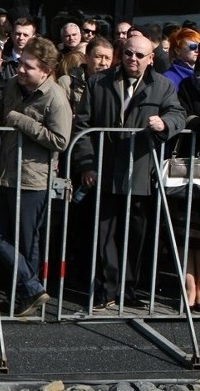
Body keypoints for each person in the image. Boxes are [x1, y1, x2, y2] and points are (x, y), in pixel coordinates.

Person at [74, 35, 185, 310]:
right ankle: (106, 289)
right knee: (104, 234)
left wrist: (165, 122)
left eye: (139, 55)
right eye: (128, 54)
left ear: (150, 59)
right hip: (106, 169)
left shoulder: (163, 85)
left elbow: (178, 114)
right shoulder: (98, 82)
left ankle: (128, 289)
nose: (132, 60)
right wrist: (86, 164)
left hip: (140, 172)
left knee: (135, 235)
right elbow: (82, 127)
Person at [0, 37, 72, 316]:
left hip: (32, 179)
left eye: (28, 66)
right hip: (5, 174)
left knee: (28, 243)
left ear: (45, 71)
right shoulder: (13, 85)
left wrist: (20, 120)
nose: (20, 69)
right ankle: (32, 287)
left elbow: (60, 140)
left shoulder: (55, 98)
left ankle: (25, 298)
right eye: (20, 62)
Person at [176, 61, 200, 311]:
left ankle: (199, 290)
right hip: (190, 168)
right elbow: (183, 116)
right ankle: (189, 288)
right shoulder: (186, 86)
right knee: (186, 234)